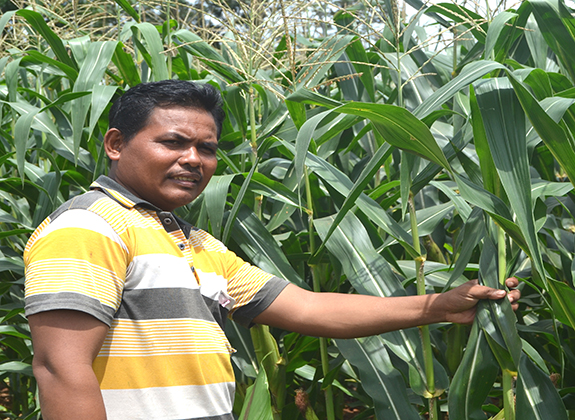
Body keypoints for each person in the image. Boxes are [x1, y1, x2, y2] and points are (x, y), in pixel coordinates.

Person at [24, 80, 520, 420]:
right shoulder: (91, 227)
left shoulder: (195, 243)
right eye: (173, 142)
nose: (194, 159)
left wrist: (439, 306)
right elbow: (59, 367)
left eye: (208, 148)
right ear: (115, 144)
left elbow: (307, 306)